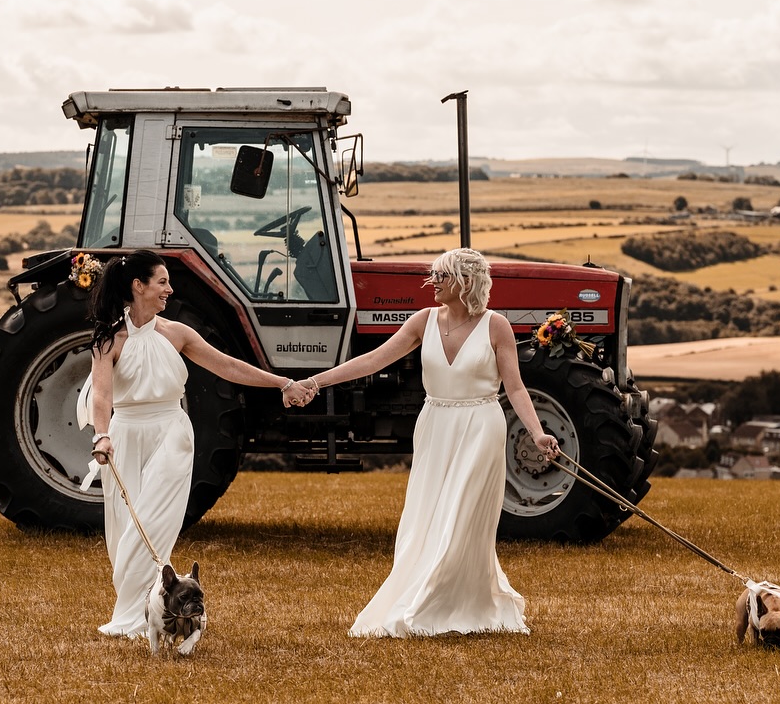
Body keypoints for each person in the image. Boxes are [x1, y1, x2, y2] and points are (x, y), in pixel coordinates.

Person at [300, 248, 560, 638]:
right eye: (433, 274)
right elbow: (373, 360)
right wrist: (317, 382)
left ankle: (443, 602)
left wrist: (537, 432)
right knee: (425, 517)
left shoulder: (496, 326)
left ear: (466, 282)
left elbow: (516, 387)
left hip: (480, 428)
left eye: (442, 275)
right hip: (435, 426)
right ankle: (425, 596)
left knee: (461, 514)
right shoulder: (422, 321)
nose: (432, 282)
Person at [84, 250, 317, 638]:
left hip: (171, 433)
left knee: (155, 520)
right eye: (162, 282)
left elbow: (227, 365)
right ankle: (140, 611)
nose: (169, 290)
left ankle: (142, 616)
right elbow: (101, 397)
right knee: (127, 527)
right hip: (125, 435)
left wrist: (282, 383)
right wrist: (102, 435)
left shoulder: (178, 333)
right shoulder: (109, 340)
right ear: (137, 287)